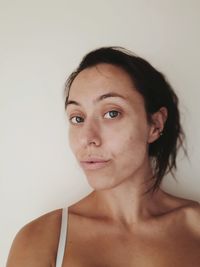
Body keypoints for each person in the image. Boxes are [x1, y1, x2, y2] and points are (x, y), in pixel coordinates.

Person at [6, 47, 200, 267]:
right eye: (78, 118)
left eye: (112, 113)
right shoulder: (40, 240)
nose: (88, 138)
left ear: (155, 125)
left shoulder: (195, 227)